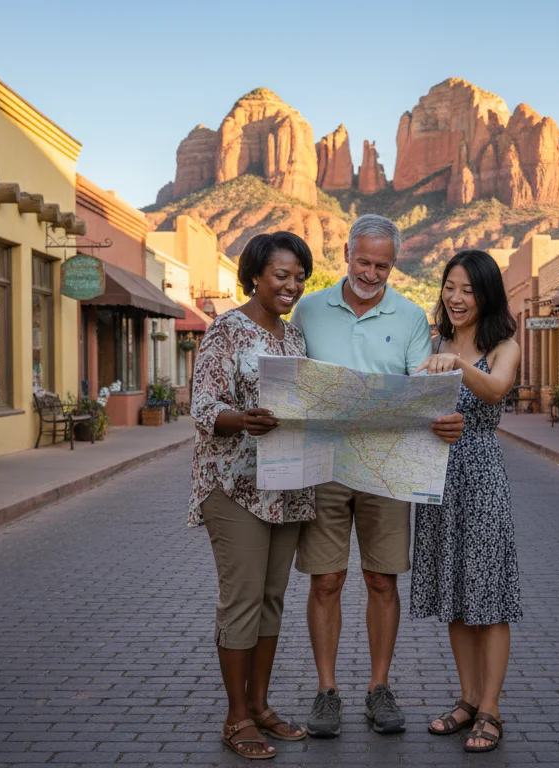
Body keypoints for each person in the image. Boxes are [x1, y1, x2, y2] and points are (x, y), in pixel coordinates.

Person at [290, 214, 464, 738]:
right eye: (363, 261)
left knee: (382, 579)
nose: (371, 273)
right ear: (346, 253)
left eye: (382, 265)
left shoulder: (411, 317)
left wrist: (444, 417)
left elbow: (420, 388)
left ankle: (378, 687)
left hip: (388, 465)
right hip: (322, 464)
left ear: (394, 264)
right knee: (326, 579)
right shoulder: (309, 308)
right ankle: (326, 690)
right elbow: (291, 376)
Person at [189, 231, 316, 760]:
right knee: (241, 602)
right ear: (256, 276)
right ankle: (236, 717)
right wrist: (243, 420)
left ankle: (261, 707)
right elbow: (201, 405)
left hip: (286, 484)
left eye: (299, 276)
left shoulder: (294, 341)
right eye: (281, 275)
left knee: (270, 600)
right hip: (234, 485)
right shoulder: (225, 331)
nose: (291, 285)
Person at [411, 249, 522, 753]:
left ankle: (492, 710)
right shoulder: (433, 342)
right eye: (449, 287)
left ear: (486, 294)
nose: (455, 298)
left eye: (467, 289)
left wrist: (454, 362)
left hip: (481, 478)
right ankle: (468, 700)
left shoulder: (504, 346)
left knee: (490, 597)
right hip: (438, 478)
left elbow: (495, 390)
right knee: (455, 594)